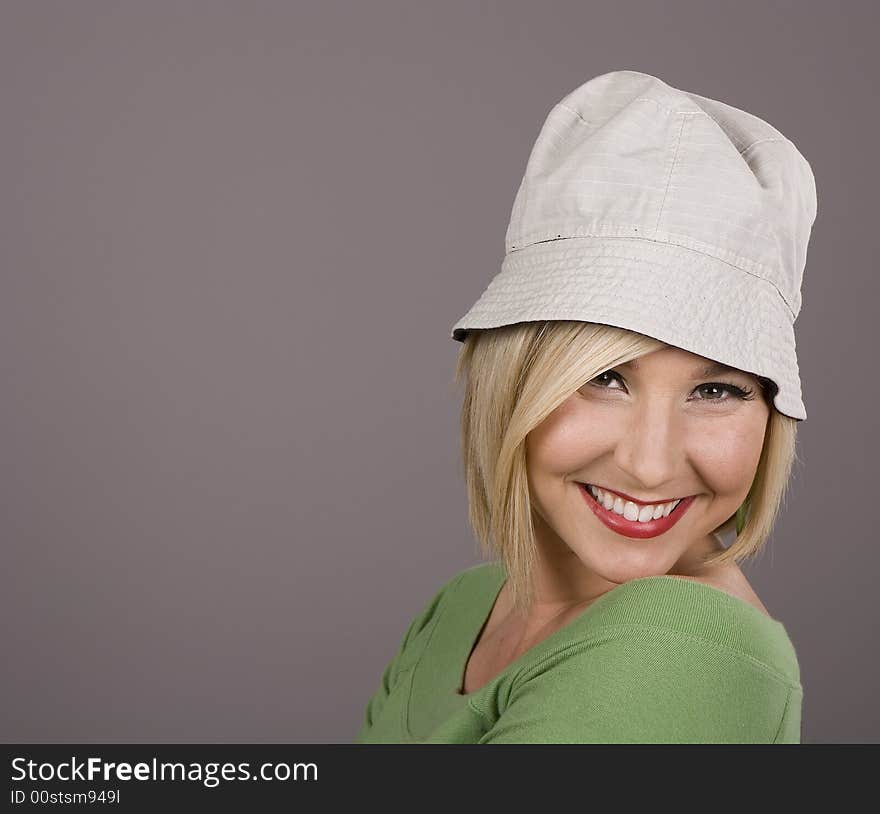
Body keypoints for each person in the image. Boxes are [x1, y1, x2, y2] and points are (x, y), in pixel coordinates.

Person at [355, 69, 817, 744]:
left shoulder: (687, 651)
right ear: (510, 381)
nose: (652, 465)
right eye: (605, 377)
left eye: (717, 391)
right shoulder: (460, 611)